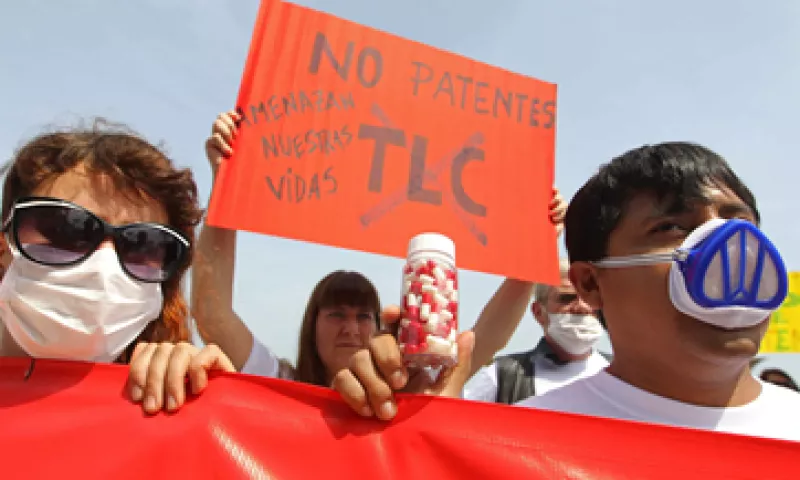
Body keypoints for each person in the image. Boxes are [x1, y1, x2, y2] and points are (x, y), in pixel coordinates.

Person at [332, 142, 800, 442]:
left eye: (741, 224)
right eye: (673, 227)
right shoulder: (519, 445)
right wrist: (409, 439)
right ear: (591, 283)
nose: (729, 250)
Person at [190, 111, 568, 389]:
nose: (351, 328)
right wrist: (225, 186)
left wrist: (534, 251)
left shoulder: (407, 385)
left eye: (363, 316)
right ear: (311, 324)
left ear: (378, 325)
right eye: (336, 314)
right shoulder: (280, 382)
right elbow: (213, 314)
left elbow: (486, 339)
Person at [0, 119, 233, 415]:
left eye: (143, 244)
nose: (103, 264)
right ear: (4, 247)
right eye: (66, 229)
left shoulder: (168, 408)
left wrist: (214, 401)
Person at [463, 259, 609, 404]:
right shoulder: (500, 377)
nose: (582, 307)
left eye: (589, 298)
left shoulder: (620, 376)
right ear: (538, 312)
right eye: (566, 298)